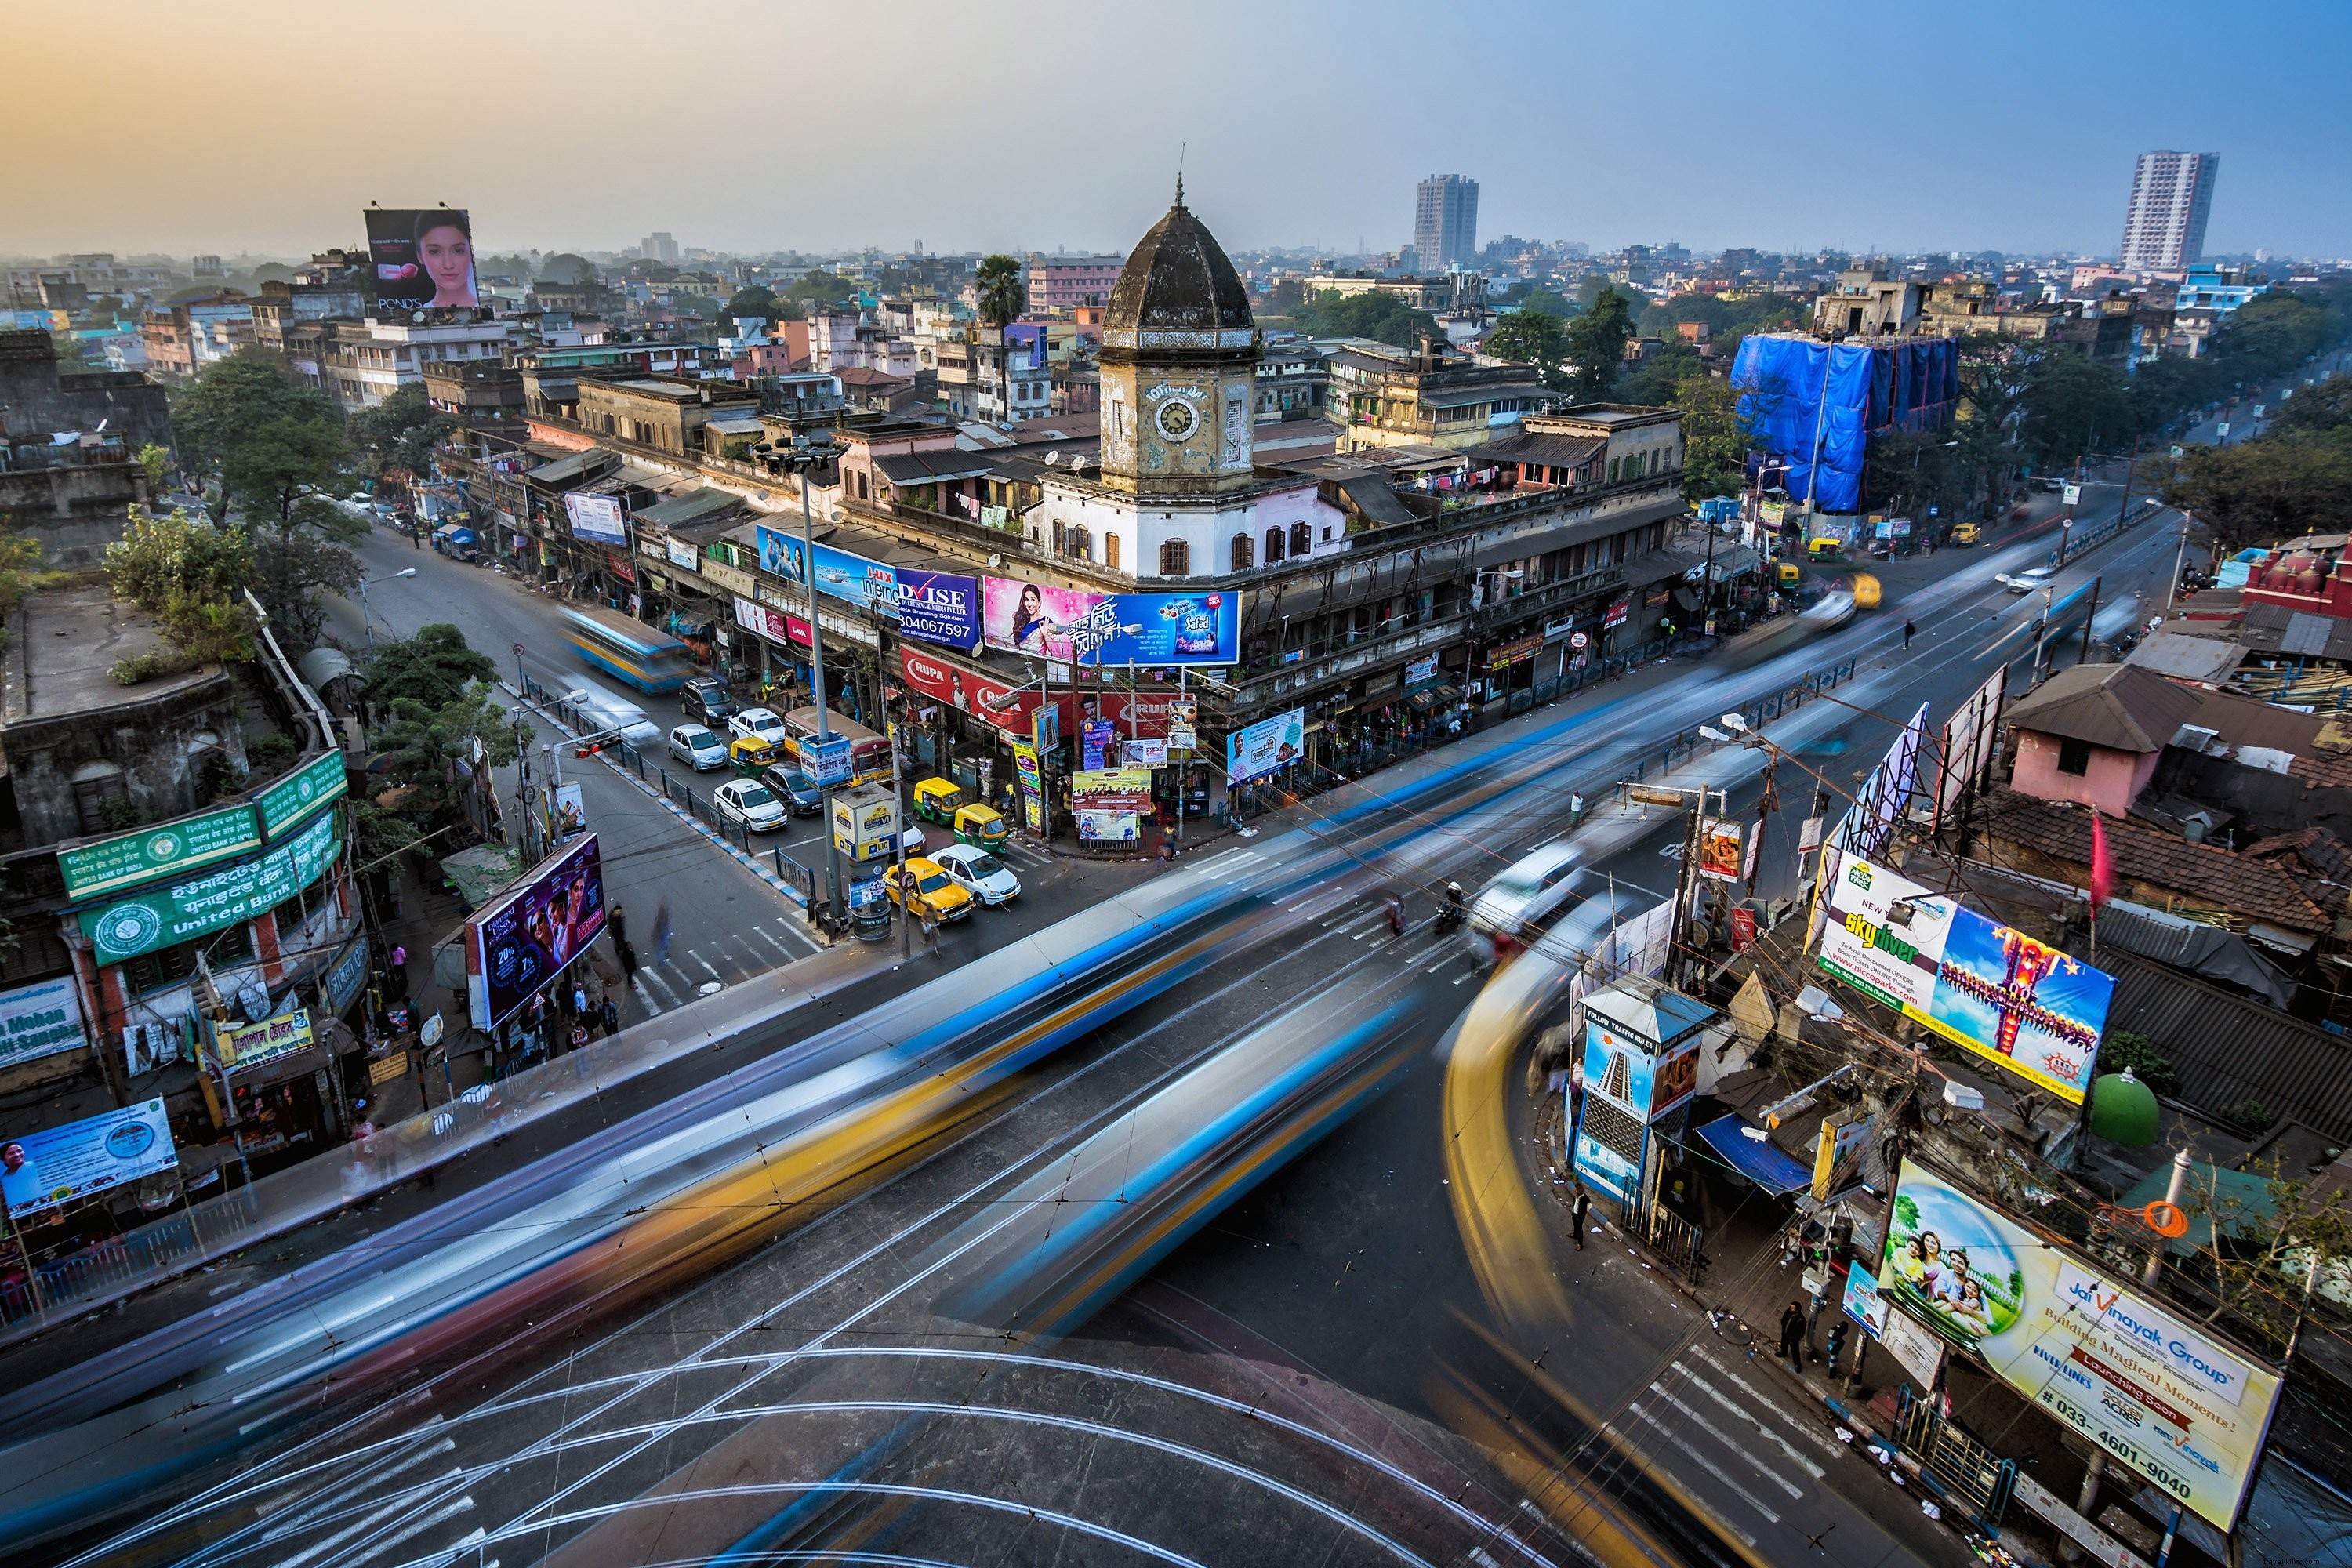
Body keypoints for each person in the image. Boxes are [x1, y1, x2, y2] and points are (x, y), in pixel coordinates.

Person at [414, 212, 478, 309]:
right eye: (434, 252)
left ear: (471, 253)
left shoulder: (491, 311)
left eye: (458, 251)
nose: (448, 265)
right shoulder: (419, 314)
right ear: (420, 256)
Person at [1779, 1301, 1808, 1377]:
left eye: (1792, 1308)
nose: (1790, 1308)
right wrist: (1783, 1327)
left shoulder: (1801, 1319)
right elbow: (1784, 1318)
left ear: (1797, 1310)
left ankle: (1797, 1364)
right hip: (1785, 1333)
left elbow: (1802, 1331)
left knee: (1795, 1351)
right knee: (1784, 1344)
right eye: (1791, 1307)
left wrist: (1797, 1337)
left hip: (1793, 1337)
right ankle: (1783, 1353)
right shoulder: (1789, 1311)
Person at [1570, 1185, 1590, 1251]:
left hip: (1579, 1217)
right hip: (1575, 1214)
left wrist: (1580, 1217)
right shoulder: (1576, 1197)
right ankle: (1575, 1234)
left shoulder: (1584, 1199)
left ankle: (1580, 1244)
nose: (1574, 1190)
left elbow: (1585, 1209)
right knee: (1575, 1225)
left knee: (1579, 1229)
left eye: (1576, 1189)